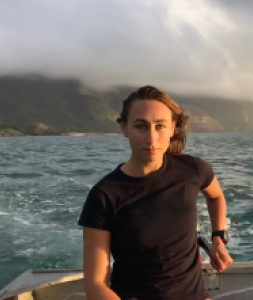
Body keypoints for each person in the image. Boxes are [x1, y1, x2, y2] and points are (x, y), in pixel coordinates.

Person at [78, 85, 233, 300]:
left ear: (172, 127)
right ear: (124, 128)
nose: (151, 139)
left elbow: (215, 196)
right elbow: (96, 286)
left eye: (160, 126)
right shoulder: (104, 196)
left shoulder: (194, 170)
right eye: (141, 126)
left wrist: (218, 239)